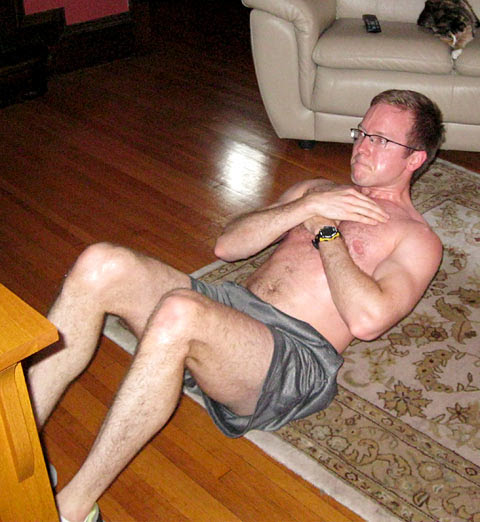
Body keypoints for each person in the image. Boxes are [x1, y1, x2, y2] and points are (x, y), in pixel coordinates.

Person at [27, 89, 444, 522]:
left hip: (291, 357)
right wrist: (308, 205)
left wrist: (326, 231)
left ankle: (73, 508)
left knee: (180, 311)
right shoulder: (317, 190)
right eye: (362, 132)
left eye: (381, 140)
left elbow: (368, 320)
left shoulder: (416, 238)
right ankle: (19, 449)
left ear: (414, 158)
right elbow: (228, 245)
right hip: (231, 310)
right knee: (100, 263)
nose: (361, 146)